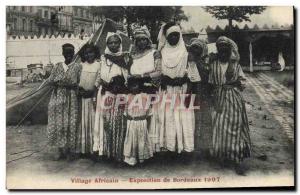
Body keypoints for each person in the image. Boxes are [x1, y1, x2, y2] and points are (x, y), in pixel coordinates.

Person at [208, 36, 251, 175]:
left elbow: (243, 82)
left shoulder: (235, 65)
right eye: (221, 50)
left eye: (226, 50)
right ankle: (223, 157)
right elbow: (210, 83)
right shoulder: (213, 65)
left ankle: (237, 160)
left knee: (235, 128)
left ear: (230, 51)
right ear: (218, 50)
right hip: (218, 99)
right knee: (219, 128)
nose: (223, 53)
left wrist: (232, 84)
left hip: (233, 99)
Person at [157, 22, 201, 157]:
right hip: (168, 91)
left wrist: (186, 86)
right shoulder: (161, 52)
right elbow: (158, 72)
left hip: (183, 90)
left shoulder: (186, 53)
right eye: (171, 35)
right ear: (167, 37)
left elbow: (194, 75)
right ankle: (170, 148)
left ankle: (186, 150)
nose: (174, 38)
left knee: (184, 118)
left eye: (176, 35)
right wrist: (165, 79)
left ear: (180, 36)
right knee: (169, 118)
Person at [93, 32, 131, 163]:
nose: (113, 45)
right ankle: (105, 152)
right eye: (110, 42)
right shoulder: (103, 58)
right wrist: (97, 89)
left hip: (120, 94)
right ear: (107, 44)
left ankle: (118, 154)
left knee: (119, 124)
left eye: (116, 42)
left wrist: (119, 82)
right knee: (105, 123)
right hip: (105, 93)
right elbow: (99, 76)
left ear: (120, 44)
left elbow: (128, 76)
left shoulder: (125, 58)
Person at [129, 26, 162, 153]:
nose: (141, 42)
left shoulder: (155, 53)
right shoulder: (133, 55)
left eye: (144, 39)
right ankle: (138, 150)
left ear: (148, 40)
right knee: (137, 120)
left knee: (150, 119)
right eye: (139, 40)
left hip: (149, 89)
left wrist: (142, 76)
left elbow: (159, 72)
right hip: (135, 91)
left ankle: (150, 150)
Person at [47, 43, 81, 161]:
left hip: (71, 98)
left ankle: (70, 151)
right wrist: (59, 83)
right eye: (66, 53)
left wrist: (72, 85)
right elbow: (50, 81)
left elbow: (80, 83)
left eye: (71, 53)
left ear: (74, 53)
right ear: (62, 53)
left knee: (71, 123)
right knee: (59, 123)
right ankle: (60, 150)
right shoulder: (57, 66)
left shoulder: (77, 67)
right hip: (58, 98)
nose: (68, 55)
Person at [187, 38, 213, 156]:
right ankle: (194, 146)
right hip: (194, 92)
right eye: (193, 48)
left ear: (202, 49)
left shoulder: (207, 61)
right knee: (193, 120)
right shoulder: (189, 61)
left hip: (205, 93)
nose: (195, 50)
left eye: (198, 47)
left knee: (206, 119)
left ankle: (206, 147)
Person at [123, 79, 153, 166]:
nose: (134, 88)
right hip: (131, 122)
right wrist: (126, 123)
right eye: (132, 86)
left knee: (141, 140)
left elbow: (149, 113)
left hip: (142, 122)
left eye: (136, 85)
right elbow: (125, 112)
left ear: (140, 86)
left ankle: (142, 159)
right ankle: (131, 159)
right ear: (129, 87)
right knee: (131, 141)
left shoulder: (145, 96)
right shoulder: (127, 97)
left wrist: (147, 124)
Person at [77, 43, 101, 155]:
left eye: (91, 52)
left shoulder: (98, 65)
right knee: (83, 121)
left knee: (93, 121)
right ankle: (83, 149)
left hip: (93, 97)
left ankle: (93, 149)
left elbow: (99, 79)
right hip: (82, 97)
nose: (88, 55)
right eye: (86, 53)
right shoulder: (81, 65)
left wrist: (92, 91)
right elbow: (78, 80)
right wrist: (80, 90)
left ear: (95, 53)